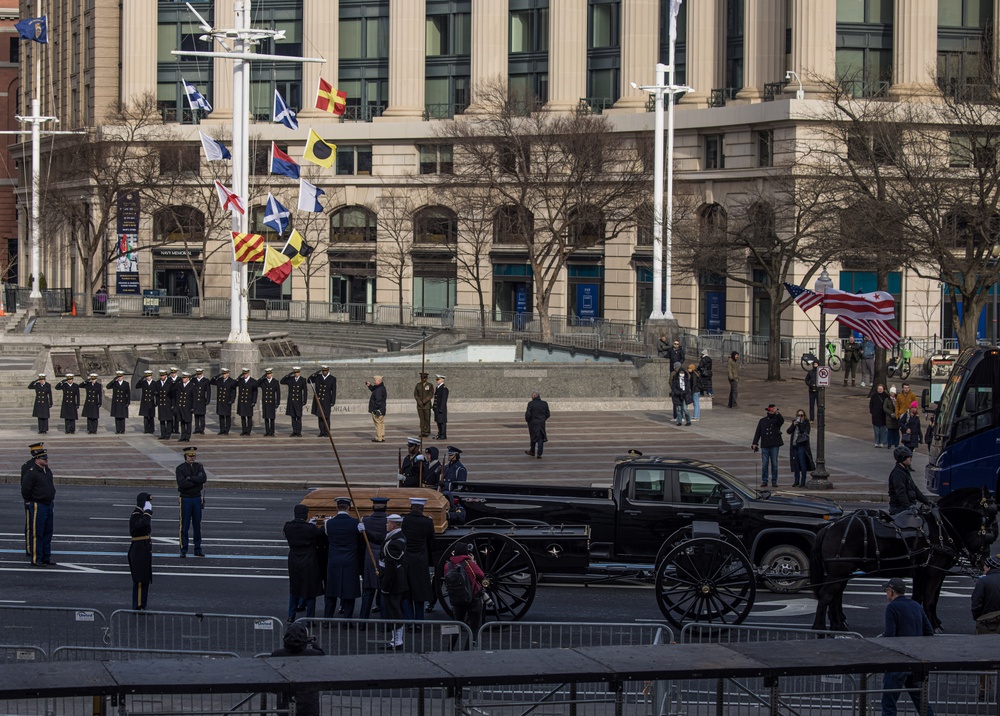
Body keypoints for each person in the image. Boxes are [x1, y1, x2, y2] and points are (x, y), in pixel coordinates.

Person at [880, 577, 935, 716]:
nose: (886, 593)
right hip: (916, 661)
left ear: (892, 592)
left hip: (897, 663)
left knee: (889, 703)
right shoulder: (916, 605)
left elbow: (890, 637)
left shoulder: (892, 608)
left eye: (886, 590)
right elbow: (929, 632)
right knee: (921, 701)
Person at [269, 621, 325, 716]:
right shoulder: (314, 654)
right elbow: (324, 665)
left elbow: (272, 681)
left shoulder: (277, 654)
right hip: (308, 703)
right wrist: (317, 647)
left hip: (285, 701)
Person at [283, 504, 324, 622]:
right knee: (310, 590)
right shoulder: (310, 528)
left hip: (294, 559)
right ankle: (310, 618)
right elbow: (320, 533)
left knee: (294, 588)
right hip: (309, 560)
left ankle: (291, 615)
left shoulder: (288, 526)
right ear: (306, 515)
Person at [323, 497, 363, 620]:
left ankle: (327, 619)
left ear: (337, 507)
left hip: (334, 560)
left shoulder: (328, 523)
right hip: (350, 561)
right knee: (349, 592)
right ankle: (347, 619)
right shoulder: (356, 523)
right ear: (349, 508)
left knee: (331, 592)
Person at [401, 497, 435, 624]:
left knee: (406, 593)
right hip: (420, 561)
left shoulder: (405, 520)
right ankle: (419, 622)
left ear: (411, 507)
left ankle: (409, 621)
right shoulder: (427, 522)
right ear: (422, 508)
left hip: (406, 560)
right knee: (419, 594)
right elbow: (431, 537)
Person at [22, 444, 56, 566]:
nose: (46, 460)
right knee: (38, 533)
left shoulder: (47, 471)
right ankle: (37, 558)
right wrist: (28, 500)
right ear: (37, 459)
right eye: (43, 458)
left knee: (48, 532)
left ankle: (46, 557)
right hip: (38, 505)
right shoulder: (31, 472)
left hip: (48, 504)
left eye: (46, 458)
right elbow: (26, 488)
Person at [972, 554, 1000, 700]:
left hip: (986, 623)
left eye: (984, 566)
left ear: (989, 567)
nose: (983, 568)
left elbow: (976, 603)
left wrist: (977, 617)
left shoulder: (983, 582)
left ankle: (983, 689)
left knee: (984, 658)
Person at [379, 513, 408, 650]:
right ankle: (394, 640)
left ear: (394, 525)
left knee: (394, 611)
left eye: (388, 523)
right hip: (397, 580)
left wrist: (385, 586)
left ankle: (398, 641)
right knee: (393, 610)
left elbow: (391, 567)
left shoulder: (393, 543)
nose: (386, 525)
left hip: (393, 582)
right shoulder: (396, 538)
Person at [444, 542, 486, 634]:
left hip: (457, 599)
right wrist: (474, 562)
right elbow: (481, 575)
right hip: (472, 598)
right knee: (474, 629)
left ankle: (450, 647)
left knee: (456, 626)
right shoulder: (469, 564)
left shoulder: (448, 566)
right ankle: (469, 648)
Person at [360, 497, 390, 619]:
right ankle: (384, 623)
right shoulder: (389, 521)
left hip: (369, 557)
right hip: (384, 557)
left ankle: (362, 621)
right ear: (386, 507)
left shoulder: (365, 521)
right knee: (383, 592)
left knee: (368, 591)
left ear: (373, 507)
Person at [175, 446, 207, 557]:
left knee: (197, 525)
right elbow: (182, 483)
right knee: (184, 525)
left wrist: (190, 478)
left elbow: (203, 479)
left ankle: (198, 549)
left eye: (194, 456)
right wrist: (195, 481)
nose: (192, 458)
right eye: (190, 456)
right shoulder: (180, 468)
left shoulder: (199, 466)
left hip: (197, 498)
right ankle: (183, 549)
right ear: (186, 456)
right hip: (186, 498)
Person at [888, 446, 933, 514]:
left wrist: (927, 501)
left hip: (909, 506)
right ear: (902, 458)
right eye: (908, 457)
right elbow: (901, 492)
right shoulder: (897, 474)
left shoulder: (905, 471)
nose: (911, 459)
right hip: (899, 508)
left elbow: (914, 489)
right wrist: (908, 507)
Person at [128, 492, 153, 610]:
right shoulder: (136, 514)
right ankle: (138, 605)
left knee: (145, 577)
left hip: (144, 547)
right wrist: (147, 513)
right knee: (139, 579)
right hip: (138, 548)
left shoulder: (140, 514)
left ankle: (143, 603)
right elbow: (142, 524)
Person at [752, 404, 785, 488]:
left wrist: (777, 412)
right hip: (765, 445)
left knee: (774, 464)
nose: (771, 411)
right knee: (764, 464)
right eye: (770, 409)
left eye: (772, 409)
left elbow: (781, 421)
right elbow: (758, 432)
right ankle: (764, 480)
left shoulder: (776, 419)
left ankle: (774, 480)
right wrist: (755, 443)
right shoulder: (762, 420)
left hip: (774, 444)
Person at [786, 410, 814, 488]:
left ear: (804, 416)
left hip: (802, 445)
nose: (800, 417)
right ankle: (796, 481)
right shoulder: (794, 422)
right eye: (798, 415)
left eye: (801, 415)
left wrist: (800, 424)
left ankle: (803, 481)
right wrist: (793, 425)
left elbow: (804, 431)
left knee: (802, 463)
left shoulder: (806, 423)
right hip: (794, 445)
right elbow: (788, 431)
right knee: (796, 464)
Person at [308, 365, 336, 437]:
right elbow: (309, 381)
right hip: (319, 400)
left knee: (326, 417)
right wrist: (314, 374)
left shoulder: (332, 378)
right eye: (323, 371)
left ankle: (327, 432)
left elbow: (334, 391)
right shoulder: (318, 377)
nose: (324, 372)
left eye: (326, 371)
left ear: (328, 371)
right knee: (320, 417)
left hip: (327, 400)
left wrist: (333, 401)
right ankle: (321, 431)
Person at [281, 367, 308, 437]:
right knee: (293, 417)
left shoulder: (302, 380)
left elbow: (305, 391)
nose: (296, 374)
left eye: (297, 372)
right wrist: (288, 376)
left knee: (298, 417)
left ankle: (299, 432)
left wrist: (304, 400)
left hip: (298, 401)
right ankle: (294, 431)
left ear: (299, 372)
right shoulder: (290, 379)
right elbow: (282, 381)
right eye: (295, 373)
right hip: (291, 401)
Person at [524, 391, 550, 459]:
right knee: (540, 438)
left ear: (534, 396)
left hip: (533, 423)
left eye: (532, 395)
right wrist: (543, 419)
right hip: (541, 423)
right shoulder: (544, 403)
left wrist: (528, 420)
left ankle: (532, 451)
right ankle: (539, 453)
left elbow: (528, 413)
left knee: (533, 437)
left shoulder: (531, 403)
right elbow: (548, 414)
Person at [210, 368, 237, 435]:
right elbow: (211, 382)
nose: (224, 375)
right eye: (223, 374)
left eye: (225, 374)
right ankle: (222, 430)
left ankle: (226, 430)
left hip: (227, 401)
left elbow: (233, 392)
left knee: (227, 416)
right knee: (221, 416)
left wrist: (232, 400)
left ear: (228, 374)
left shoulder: (231, 381)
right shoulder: (219, 380)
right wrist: (217, 375)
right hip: (220, 401)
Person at [106, 370, 131, 434]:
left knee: (122, 417)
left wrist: (128, 402)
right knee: (117, 417)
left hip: (123, 402)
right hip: (116, 403)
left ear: (122, 377)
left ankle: (122, 430)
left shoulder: (126, 384)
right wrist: (112, 381)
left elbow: (128, 393)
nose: (119, 378)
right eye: (118, 377)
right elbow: (107, 387)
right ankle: (117, 430)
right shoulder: (115, 383)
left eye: (120, 377)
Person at [258, 368, 281, 437]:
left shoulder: (275, 382)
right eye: (267, 374)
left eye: (270, 374)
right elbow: (256, 384)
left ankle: (272, 431)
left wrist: (278, 402)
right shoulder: (263, 382)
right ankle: (267, 431)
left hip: (272, 402)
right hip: (265, 402)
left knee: (272, 418)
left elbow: (278, 393)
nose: (269, 375)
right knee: (266, 418)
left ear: (272, 374)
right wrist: (261, 378)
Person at [235, 368, 258, 436]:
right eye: (244, 374)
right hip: (242, 402)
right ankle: (244, 430)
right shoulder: (240, 380)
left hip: (249, 401)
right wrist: (238, 378)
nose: (245, 375)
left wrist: (254, 401)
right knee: (243, 417)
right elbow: (233, 385)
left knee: (249, 417)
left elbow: (255, 392)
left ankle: (248, 431)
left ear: (248, 373)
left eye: (246, 374)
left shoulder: (253, 381)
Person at [174, 372, 195, 442]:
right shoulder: (180, 385)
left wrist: (193, 407)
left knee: (188, 422)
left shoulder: (191, 385)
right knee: (182, 422)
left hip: (188, 407)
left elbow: (193, 398)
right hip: (181, 407)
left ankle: (187, 437)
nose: (183, 379)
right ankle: (183, 436)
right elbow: (177, 395)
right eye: (183, 377)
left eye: (185, 378)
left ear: (188, 378)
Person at [134, 370, 156, 434]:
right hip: (145, 402)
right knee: (145, 417)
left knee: (151, 416)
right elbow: (137, 386)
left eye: (149, 376)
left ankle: (151, 429)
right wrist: (141, 380)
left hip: (151, 402)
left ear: (151, 376)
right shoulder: (144, 383)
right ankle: (146, 429)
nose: (148, 377)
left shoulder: (154, 383)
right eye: (146, 376)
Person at [366, 375, 387, 442]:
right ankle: (382, 436)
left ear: (379, 381)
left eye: (375, 380)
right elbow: (374, 389)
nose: (374, 381)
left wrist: (375, 409)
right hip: (382, 409)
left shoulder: (379, 390)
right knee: (381, 423)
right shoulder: (381, 387)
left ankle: (379, 437)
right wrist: (369, 386)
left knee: (378, 424)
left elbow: (378, 400)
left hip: (377, 410)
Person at [155, 369, 174, 440]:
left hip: (168, 403)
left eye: (163, 375)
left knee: (169, 420)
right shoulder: (158, 383)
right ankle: (163, 434)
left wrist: (173, 404)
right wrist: (157, 402)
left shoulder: (170, 383)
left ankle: (168, 434)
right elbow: (156, 393)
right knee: (162, 420)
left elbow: (172, 395)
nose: (161, 377)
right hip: (161, 404)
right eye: (161, 375)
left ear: (166, 375)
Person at [414, 372, 435, 438]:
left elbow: (431, 394)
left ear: (426, 378)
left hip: (427, 405)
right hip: (420, 405)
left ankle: (427, 431)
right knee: (422, 419)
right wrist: (419, 401)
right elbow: (415, 394)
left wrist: (424, 401)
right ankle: (422, 431)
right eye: (421, 378)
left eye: (424, 378)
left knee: (427, 419)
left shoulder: (430, 385)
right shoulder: (418, 385)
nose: (423, 379)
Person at [191, 368, 211, 435]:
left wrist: (208, 400)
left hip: (202, 400)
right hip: (195, 400)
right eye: (197, 374)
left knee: (202, 416)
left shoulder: (205, 380)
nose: (198, 375)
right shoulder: (193, 380)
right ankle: (196, 428)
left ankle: (202, 428)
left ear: (202, 373)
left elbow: (208, 391)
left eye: (199, 374)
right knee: (196, 415)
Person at [432, 374, 449, 439]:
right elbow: (436, 398)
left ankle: (443, 434)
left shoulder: (444, 389)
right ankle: (439, 433)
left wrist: (441, 408)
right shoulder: (438, 387)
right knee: (438, 421)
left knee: (442, 422)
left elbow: (443, 400)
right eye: (436, 379)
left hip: (441, 408)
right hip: (437, 407)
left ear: (442, 380)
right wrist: (434, 406)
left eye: (438, 379)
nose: (437, 381)